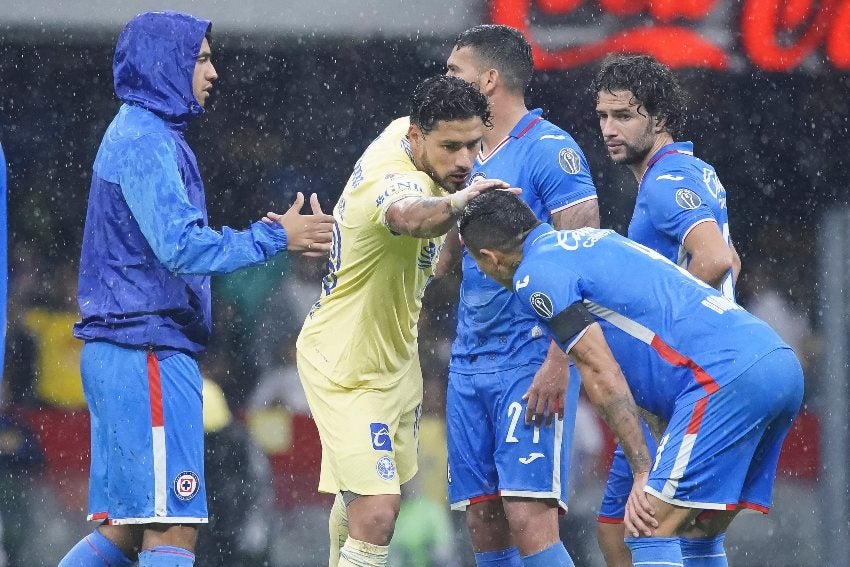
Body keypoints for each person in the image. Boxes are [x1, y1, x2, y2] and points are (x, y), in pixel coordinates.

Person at [59, 11, 334, 567]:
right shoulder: (144, 138)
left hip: (129, 353)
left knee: (123, 534)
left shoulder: (139, 132)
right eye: (201, 58)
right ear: (167, 63)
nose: (213, 73)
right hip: (147, 354)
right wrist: (274, 237)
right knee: (173, 530)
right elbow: (182, 247)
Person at [458, 190, 804, 567]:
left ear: (488, 259)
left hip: (723, 379)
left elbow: (600, 371)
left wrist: (643, 468)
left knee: (646, 526)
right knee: (697, 532)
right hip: (776, 361)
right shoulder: (600, 239)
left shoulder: (533, 276)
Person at [296, 74, 511, 567]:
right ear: (415, 137)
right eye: (450, 147)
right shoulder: (391, 179)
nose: (464, 161)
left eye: (473, 146)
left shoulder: (415, 134)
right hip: (345, 367)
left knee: (360, 505)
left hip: (395, 364)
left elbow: (430, 256)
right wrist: (463, 203)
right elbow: (410, 216)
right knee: (378, 513)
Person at [442, 24, 599, 567]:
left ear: (488, 80)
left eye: (454, 72)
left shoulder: (552, 152)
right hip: (469, 360)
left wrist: (560, 361)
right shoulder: (461, 156)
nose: (446, 82)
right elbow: (445, 263)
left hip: (531, 357)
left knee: (529, 517)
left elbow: (584, 265)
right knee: (484, 520)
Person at [591, 53, 741, 566]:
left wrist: (658, 333)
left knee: (645, 530)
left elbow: (716, 259)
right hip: (692, 376)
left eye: (624, 116)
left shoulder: (663, 181)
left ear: (658, 118)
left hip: (685, 380)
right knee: (635, 529)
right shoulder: (696, 170)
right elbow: (731, 258)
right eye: (603, 116)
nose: (609, 129)